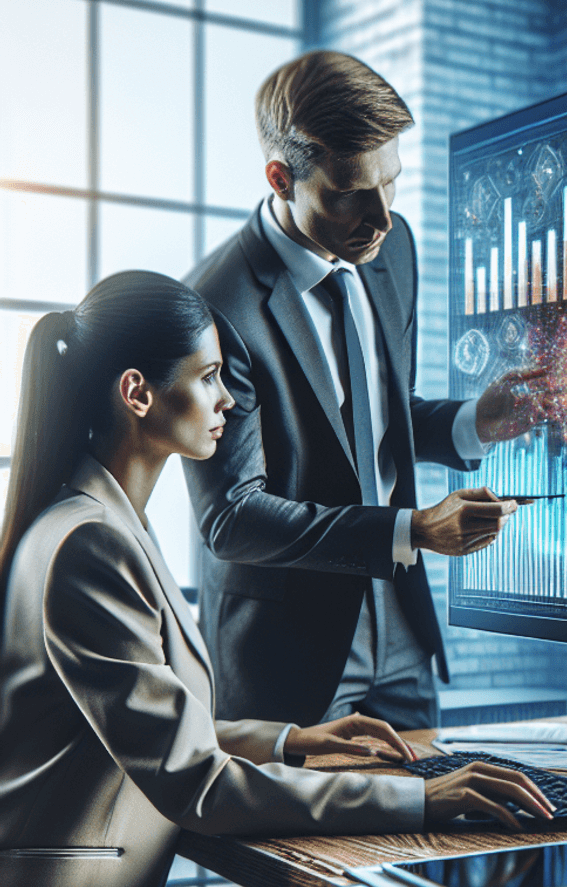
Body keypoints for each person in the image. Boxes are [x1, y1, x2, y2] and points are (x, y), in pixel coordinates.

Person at [0, 272, 553, 887]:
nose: (228, 398)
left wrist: (294, 741)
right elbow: (195, 785)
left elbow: (144, 735)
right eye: (207, 377)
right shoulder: (88, 545)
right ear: (137, 393)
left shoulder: (98, 520)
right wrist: (418, 798)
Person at [183, 51, 546, 730]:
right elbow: (232, 515)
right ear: (280, 178)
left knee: (435, 823)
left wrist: (474, 422)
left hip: (402, 627)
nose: (380, 217)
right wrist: (414, 529)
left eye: (392, 184)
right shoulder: (213, 305)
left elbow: (371, 422)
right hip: (286, 658)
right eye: (352, 192)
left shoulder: (391, 248)